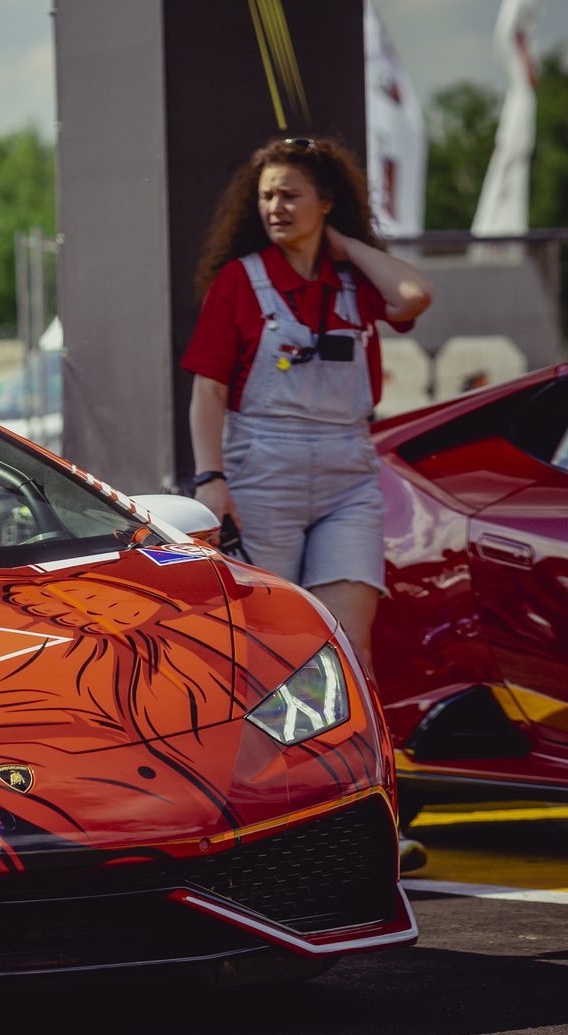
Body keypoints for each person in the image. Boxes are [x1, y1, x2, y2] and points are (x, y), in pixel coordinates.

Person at [183, 136, 433, 662]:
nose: (276, 207)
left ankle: (350, 747)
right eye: (267, 195)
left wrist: (346, 245)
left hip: (350, 479)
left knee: (347, 646)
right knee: (274, 645)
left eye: (291, 195)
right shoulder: (239, 280)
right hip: (263, 475)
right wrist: (211, 480)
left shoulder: (354, 280)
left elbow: (414, 295)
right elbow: (208, 389)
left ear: (326, 202)